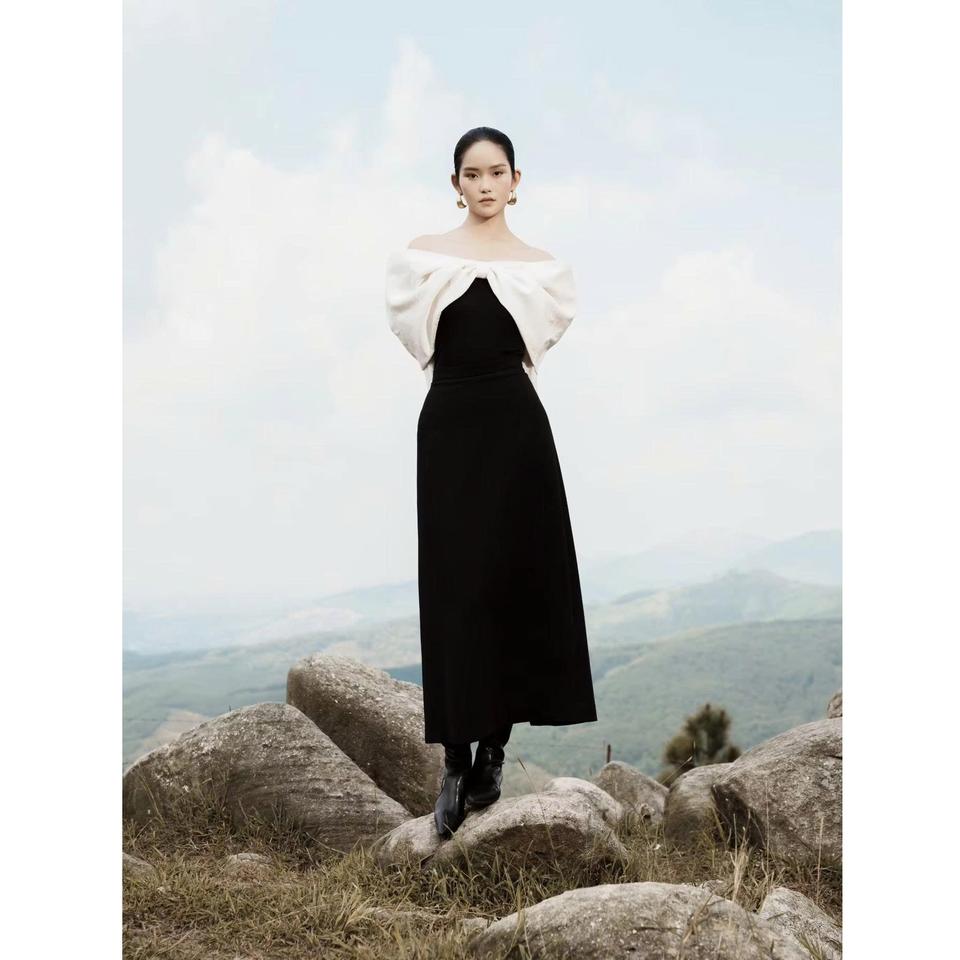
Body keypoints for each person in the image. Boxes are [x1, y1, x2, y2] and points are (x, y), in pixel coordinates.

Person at [385, 127, 598, 839]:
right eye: (471, 174)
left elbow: (538, 342)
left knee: (512, 583)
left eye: (496, 172)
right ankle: (454, 758)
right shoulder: (422, 260)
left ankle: (494, 753)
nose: (484, 184)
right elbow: (416, 338)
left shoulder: (542, 270)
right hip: (448, 425)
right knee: (455, 587)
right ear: (456, 184)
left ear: (515, 181)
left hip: (517, 430)